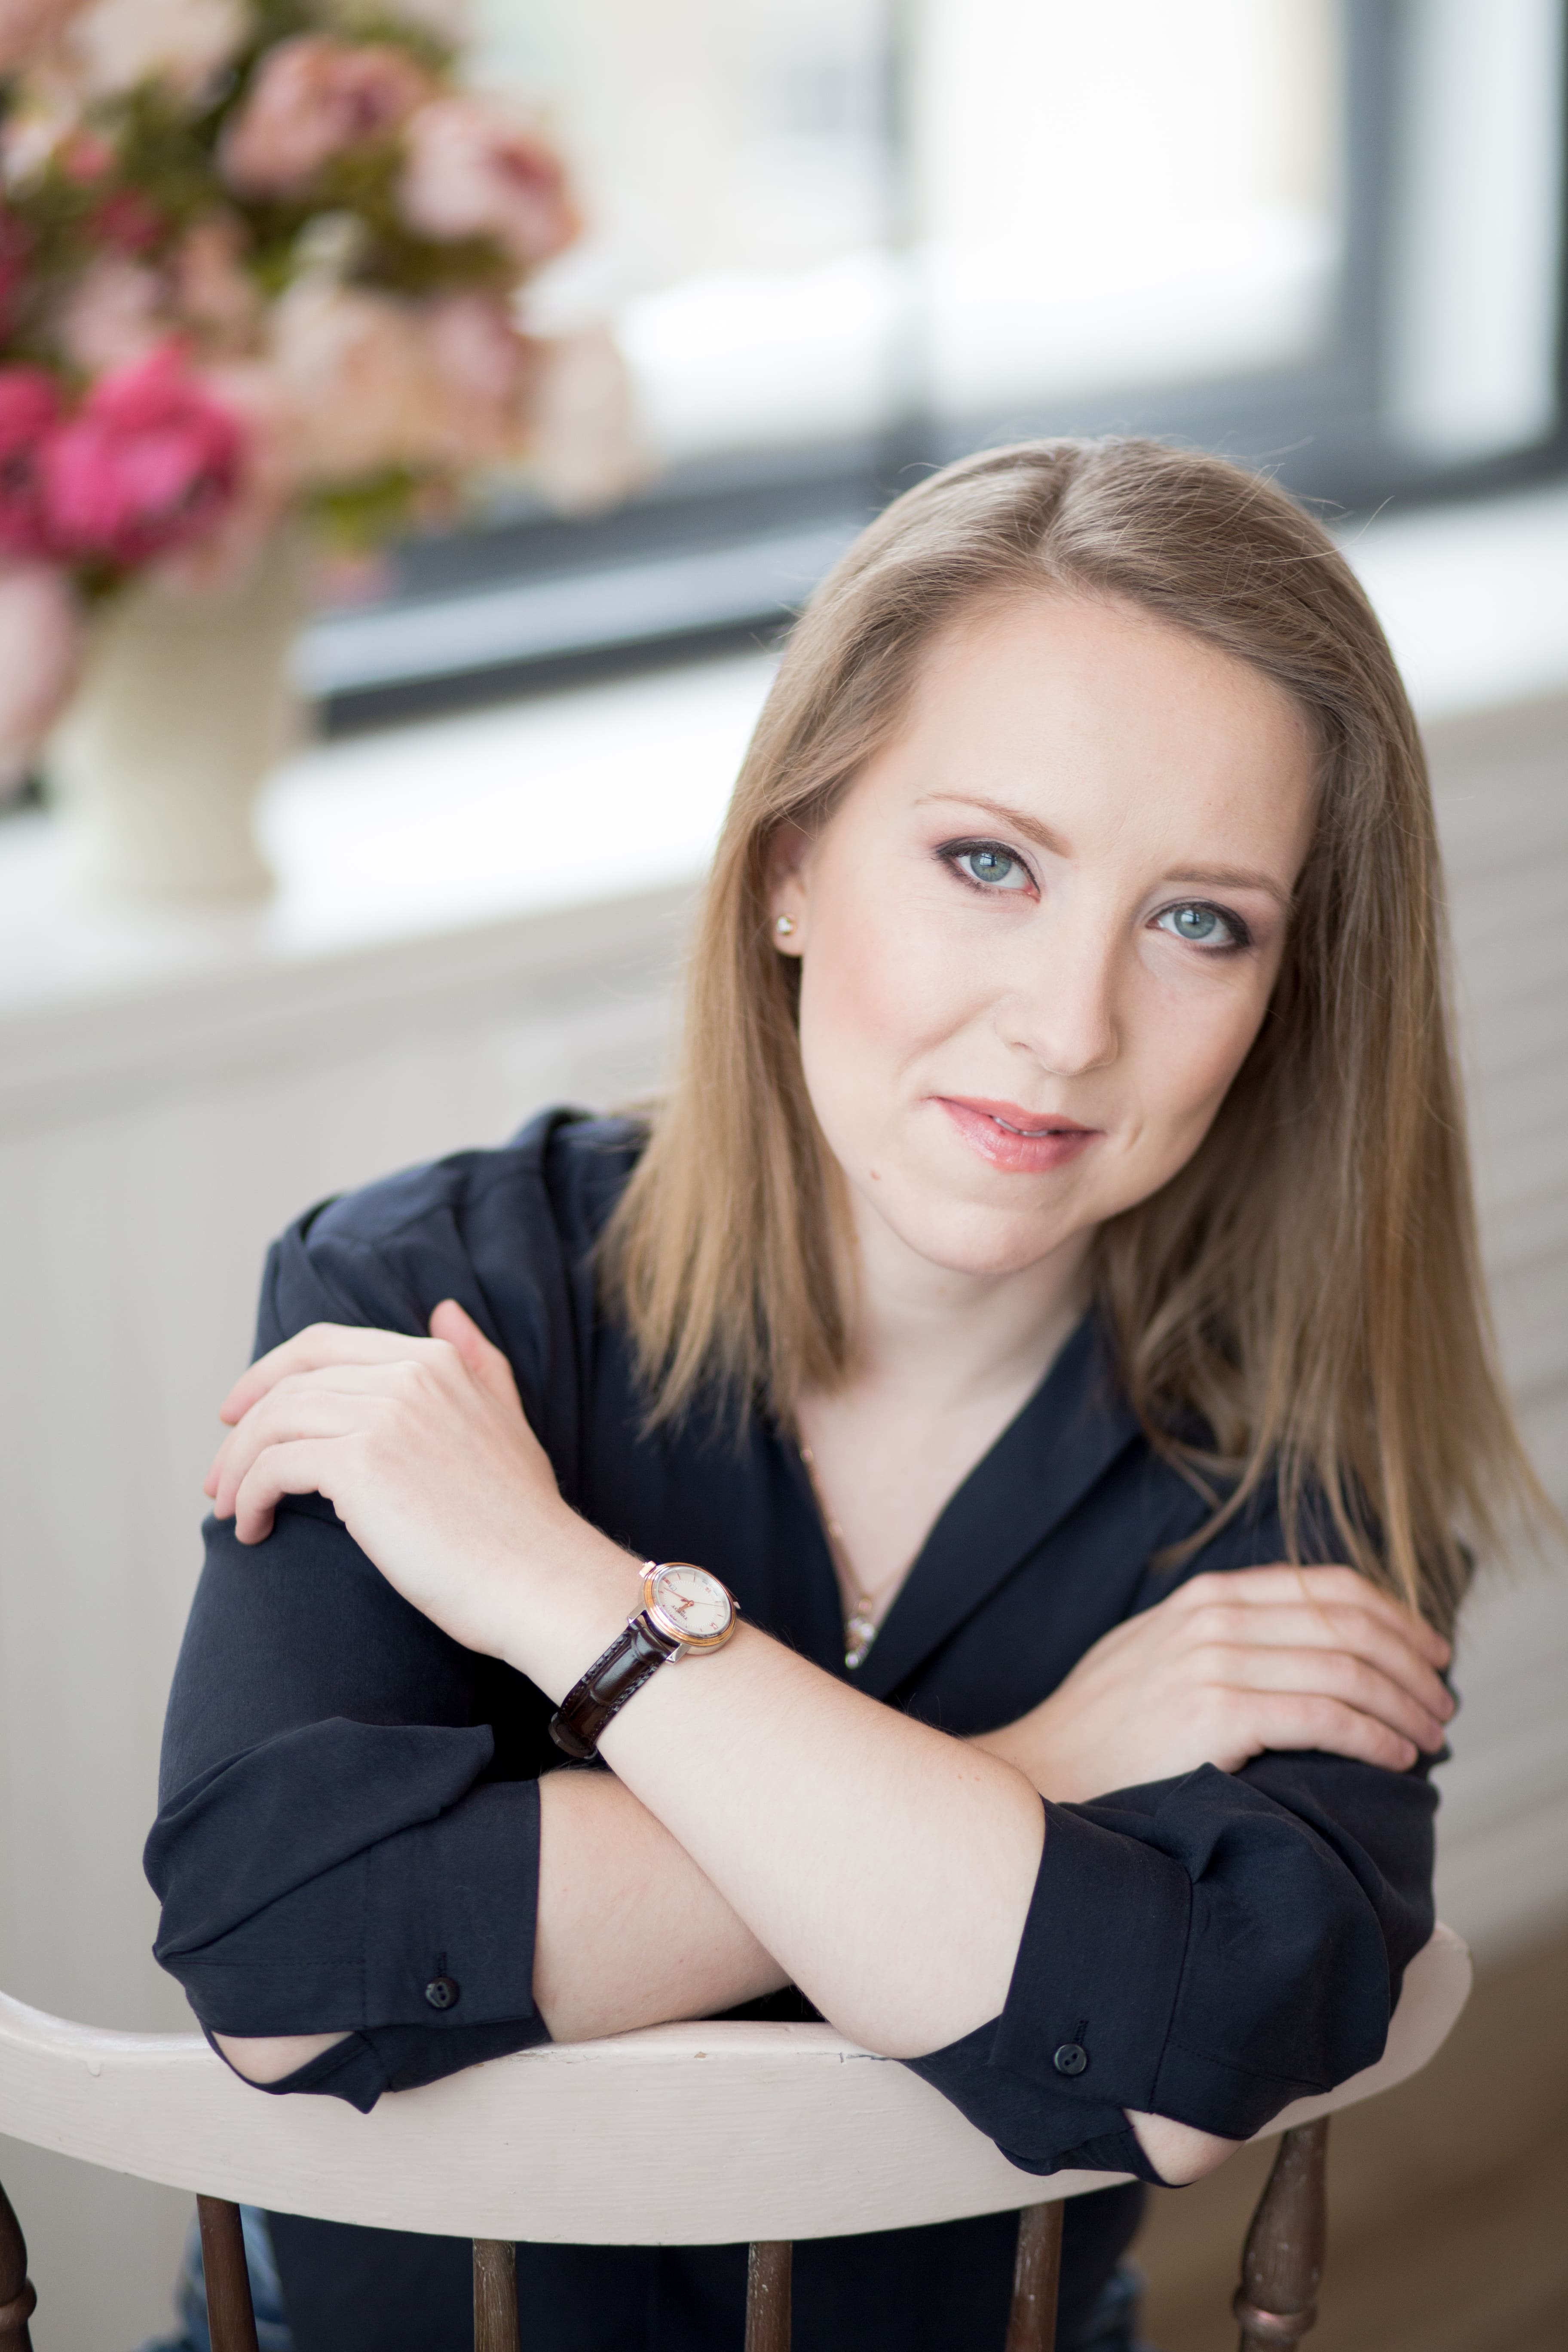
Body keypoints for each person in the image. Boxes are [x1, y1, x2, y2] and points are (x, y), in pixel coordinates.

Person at [146, 438, 1543, 2352]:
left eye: (1199, 920)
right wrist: (1047, 1768)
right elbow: (286, 1972)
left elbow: (1191, 2056)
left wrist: (563, 1599)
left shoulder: (1312, 1469)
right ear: (793, 864)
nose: (1069, 1025)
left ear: (1289, 994)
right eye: (989, 863)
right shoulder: (431, 1300)